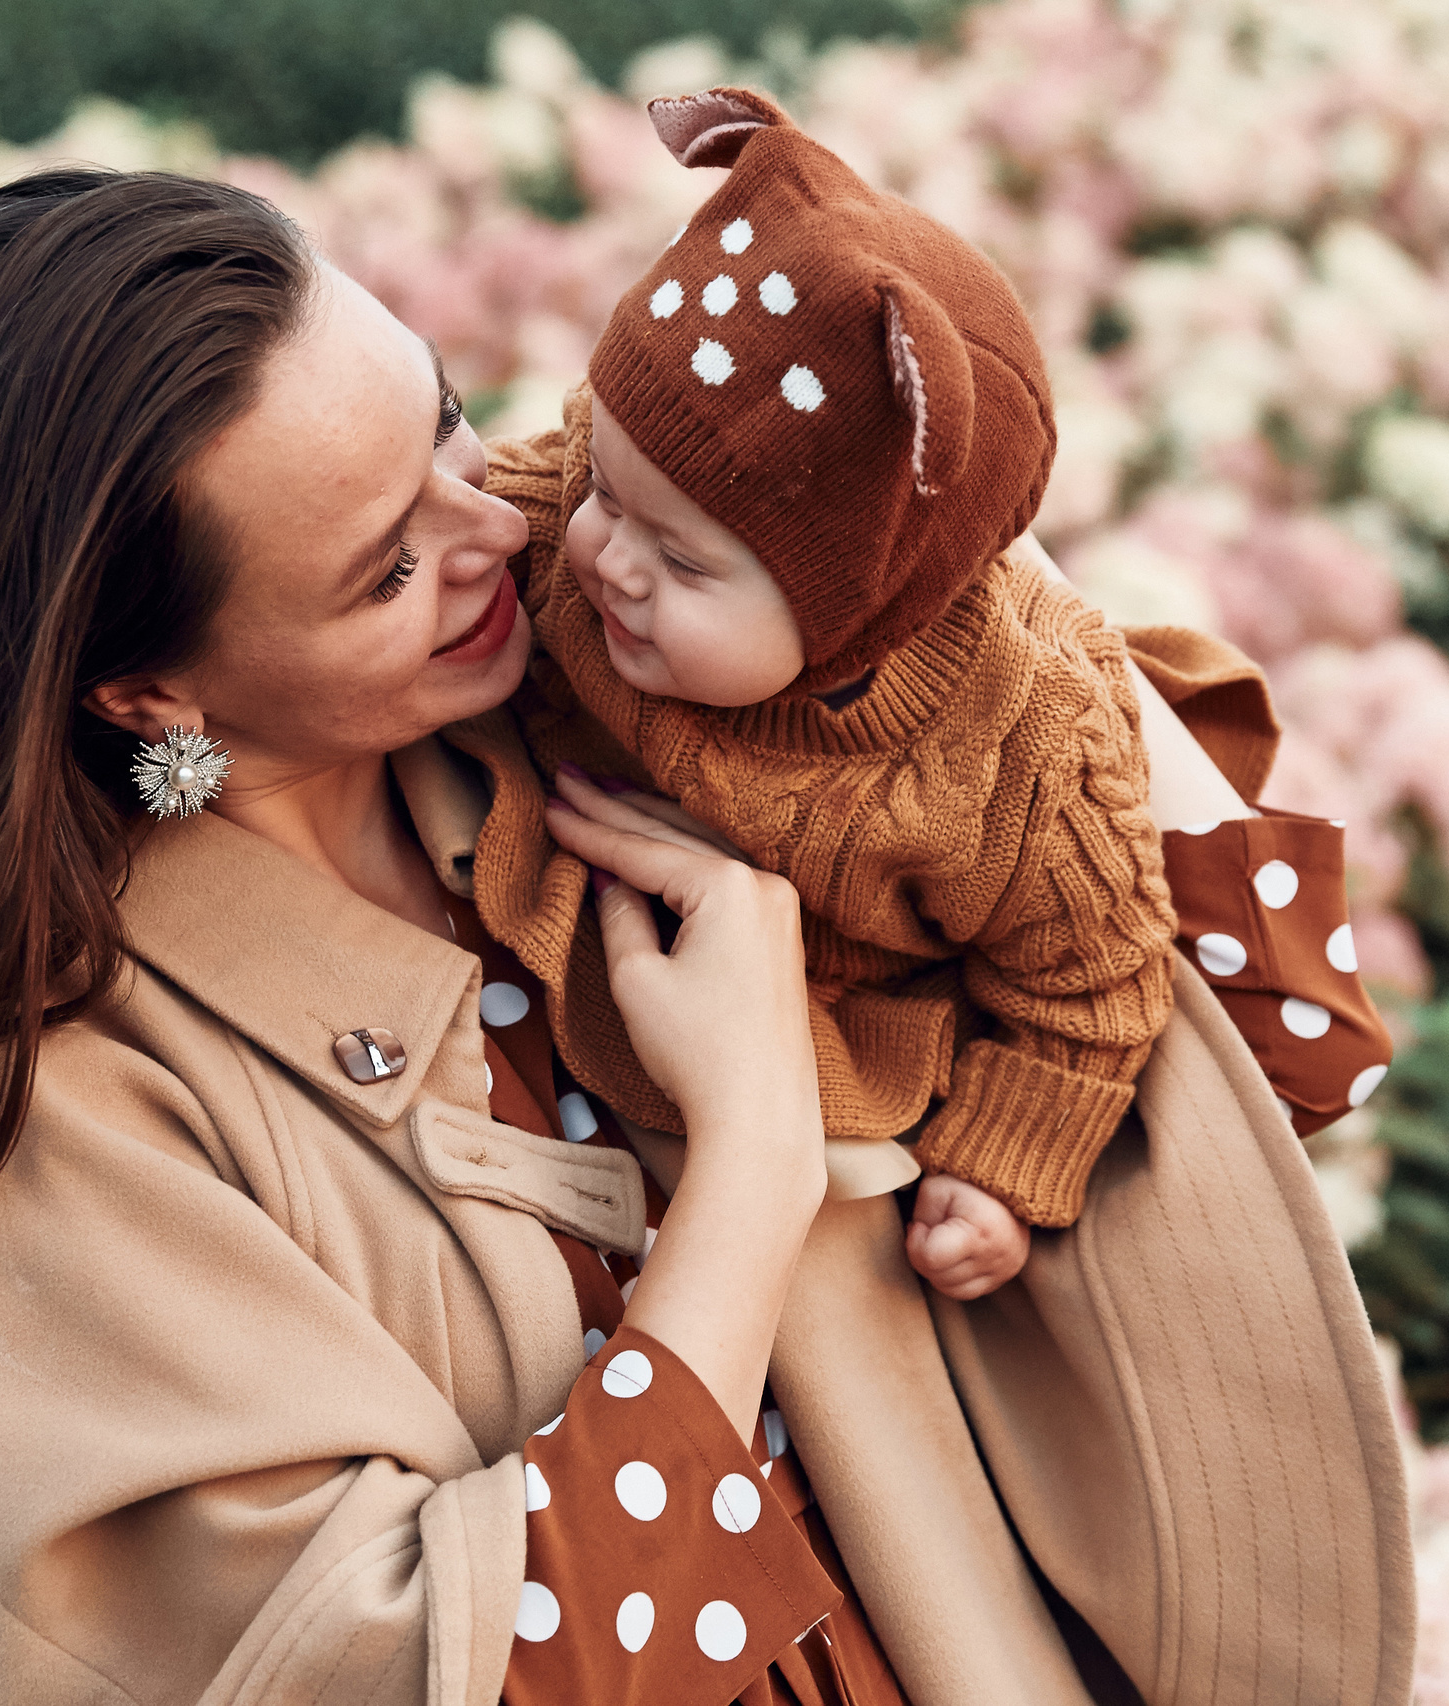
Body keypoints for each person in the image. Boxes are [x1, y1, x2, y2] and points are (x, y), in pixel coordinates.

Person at [0, 167, 1413, 1705]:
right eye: (383, 569)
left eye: (440, 420)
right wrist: (751, 1159)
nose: (499, 524)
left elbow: (1285, 1041)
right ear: (152, 692)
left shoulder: (632, 669)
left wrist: (950, 588)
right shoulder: (55, 1114)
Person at [473, 88, 1391, 1299]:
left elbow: (1088, 984)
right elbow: (511, 507)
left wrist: (998, 1169)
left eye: (685, 561)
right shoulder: (585, 518)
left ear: (864, 606)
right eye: (605, 481)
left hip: (817, 1076)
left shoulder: (1013, 761)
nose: (607, 557)